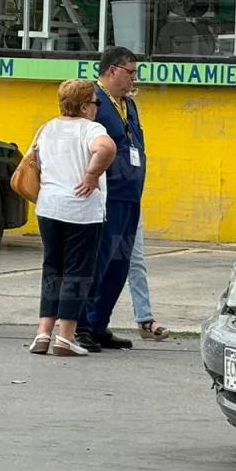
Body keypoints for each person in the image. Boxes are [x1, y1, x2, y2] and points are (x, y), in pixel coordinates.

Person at [29, 79, 116, 357]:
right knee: (77, 272)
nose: (97, 107)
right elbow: (106, 148)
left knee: (52, 268)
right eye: (95, 102)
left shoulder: (47, 128)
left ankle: (43, 333)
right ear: (83, 105)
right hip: (81, 210)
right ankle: (65, 337)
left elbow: (36, 161)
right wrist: (91, 175)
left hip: (48, 207)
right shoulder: (91, 129)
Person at [76, 46, 146, 353]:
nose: (134, 78)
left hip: (130, 194)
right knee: (98, 261)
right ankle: (80, 325)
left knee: (119, 263)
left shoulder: (128, 104)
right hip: (107, 195)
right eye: (130, 72)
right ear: (113, 70)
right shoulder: (93, 101)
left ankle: (99, 322)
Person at [126, 219, 169, 340]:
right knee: (102, 264)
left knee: (135, 264)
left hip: (130, 208)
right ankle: (85, 323)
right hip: (104, 210)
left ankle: (144, 319)